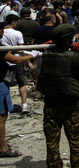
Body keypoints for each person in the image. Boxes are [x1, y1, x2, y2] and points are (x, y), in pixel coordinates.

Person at [37, 24, 79, 168]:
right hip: (69, 106)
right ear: (67, 40)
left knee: (52, 143)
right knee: (75, 142)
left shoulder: (47, 55)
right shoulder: (73, 57)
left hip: (50, 104)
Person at [0, 21, 34, 158]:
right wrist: (32, 56)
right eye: (1, 29)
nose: (2, 31)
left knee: (4, 115)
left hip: (3, 82)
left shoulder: (2, 46)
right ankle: (2, 148)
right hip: (0, 83)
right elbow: (16, 60)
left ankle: (2, 143)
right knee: (1, 117)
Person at [2, 13, 29, 114]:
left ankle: (7, 106)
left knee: (6, 84)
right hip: (17, 61)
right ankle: (24, 104)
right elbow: (21, 50)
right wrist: (27, 61)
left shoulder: (2, 33)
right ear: (13, 22)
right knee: (21, 83)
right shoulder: (17, 33)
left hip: (5, 60)